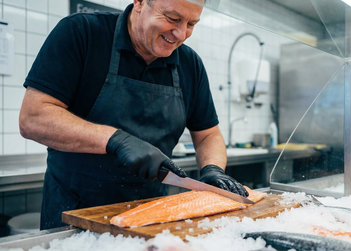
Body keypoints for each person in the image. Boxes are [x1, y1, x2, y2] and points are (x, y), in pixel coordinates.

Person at [19, 0, 248, 230]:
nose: (180, 34)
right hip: (73, 216)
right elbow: (33, 117)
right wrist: (115, 140)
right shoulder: (82, 32)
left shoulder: (190, 64)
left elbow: (208, 135)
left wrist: (213, 168)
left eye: (191, 23)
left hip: (150, 218)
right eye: (172, 18)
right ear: (139, 2)